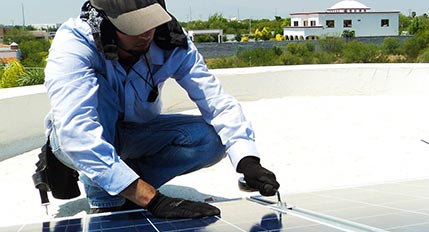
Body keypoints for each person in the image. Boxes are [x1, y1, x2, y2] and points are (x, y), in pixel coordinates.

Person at [43, 0, 279, 219]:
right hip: (76, 139)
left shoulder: (172, 39)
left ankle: (122, 184)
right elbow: (77, 134)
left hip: (137, 131)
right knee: (97, 100)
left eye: (151, 21)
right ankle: (105, 194)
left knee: (211, 141)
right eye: (134, 26)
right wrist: (153, 201)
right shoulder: (74, 43)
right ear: (106, 21)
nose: (146, 33)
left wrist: (248, 160)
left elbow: (216, 100)